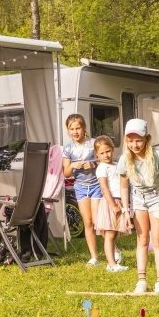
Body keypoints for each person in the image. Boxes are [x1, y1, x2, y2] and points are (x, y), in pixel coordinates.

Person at [119, 119, 159, 294]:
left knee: (157, 241)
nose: (134, 145)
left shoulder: (157, 155)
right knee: (142, 240)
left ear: (146, 139)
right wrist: (126, 210)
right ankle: (141, 280)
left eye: (138, 140)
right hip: (137, 200)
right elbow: (123, 185)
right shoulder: (125, 159)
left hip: (157, 198)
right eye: (130, 141)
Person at [62, 114, 102, 267]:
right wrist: (72, 166)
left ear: (84, 128)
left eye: (78, 128)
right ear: (68, 130)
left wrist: (93, 164)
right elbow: (65, 173)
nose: (75, 131)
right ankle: (94, 257)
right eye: (72, 129)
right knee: (88, 222)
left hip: (96, 185)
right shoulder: (68, 148)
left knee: (99, 221)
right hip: (80, 188)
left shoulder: (94, 143)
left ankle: (114, 249)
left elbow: (105, 161)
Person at [93, 135, 130, 273]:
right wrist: (113, 205)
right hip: (110, 201)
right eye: (102, 153)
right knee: (109, 234)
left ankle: (113, 260)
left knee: (113, 234)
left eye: (108, 151)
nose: (106, 155)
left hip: (119, 200)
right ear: (97, 155)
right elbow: (104, 188)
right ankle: (111, 264)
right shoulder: (102, 168)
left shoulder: (115, 165)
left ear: (112, 150)